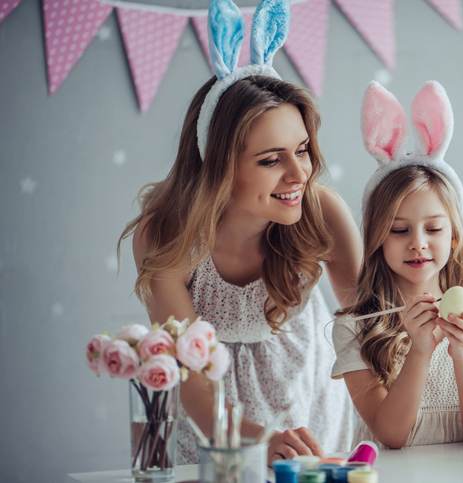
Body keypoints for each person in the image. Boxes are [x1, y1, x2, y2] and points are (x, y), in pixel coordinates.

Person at [118, 0, 361, 463]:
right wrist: (258, 440)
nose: (299, 174)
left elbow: (372, 333)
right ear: (219, 166)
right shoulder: (167, 237)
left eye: (303, 150)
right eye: (271, 160)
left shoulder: (321, 212)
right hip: (215, 438)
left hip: (310, 424)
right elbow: (194, 386)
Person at [333, 81, 463, 449]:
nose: (418, 242)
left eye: (433, 228)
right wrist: (418, 350)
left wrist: (462, 352)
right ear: (378, 240)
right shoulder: (355, 329)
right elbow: (391, 436)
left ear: (454, 239)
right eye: (399, 230)